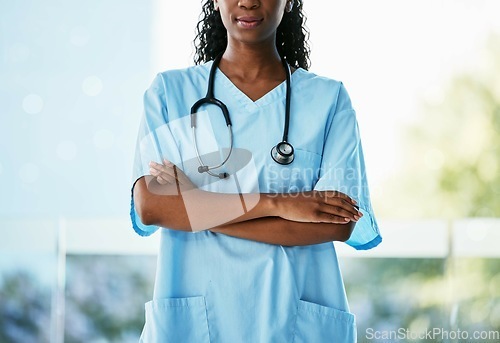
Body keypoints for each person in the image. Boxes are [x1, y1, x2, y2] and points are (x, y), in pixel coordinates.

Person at [130, 0, 381, 342]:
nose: (248, 1)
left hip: (292, 318)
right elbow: (152, 207)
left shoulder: (328, 99)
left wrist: (195, 205)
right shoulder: (170, 93)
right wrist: (278, 204)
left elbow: (337, 224)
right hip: (193, 323)